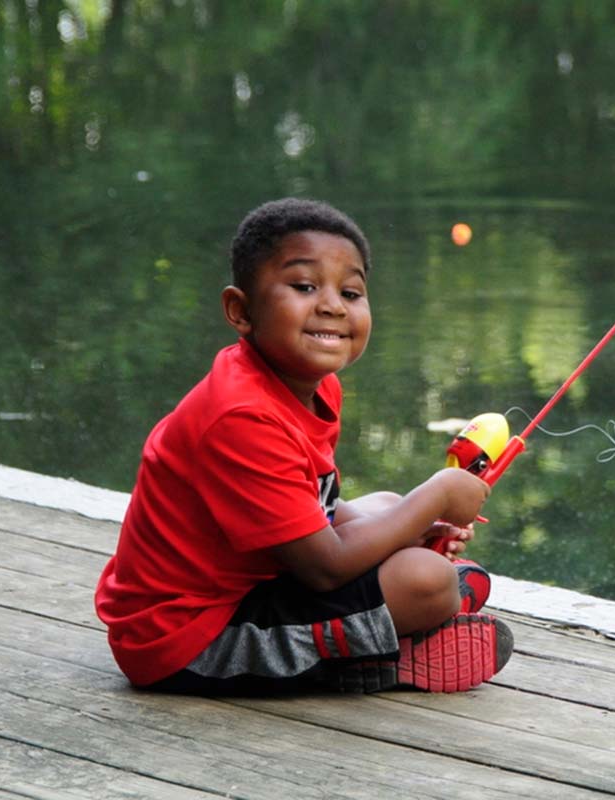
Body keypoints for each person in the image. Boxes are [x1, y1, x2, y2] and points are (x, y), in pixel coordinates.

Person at [95, 198, 511, 695]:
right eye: (304, 286)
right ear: (241, 311)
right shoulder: (241, 415)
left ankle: (404, 616)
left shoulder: (312, 384)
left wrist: (412, 523)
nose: (333, 305)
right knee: (427, 579)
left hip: (252, 582)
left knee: (387, 507)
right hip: (187, 639)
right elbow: (324, 566)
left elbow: (320, 511)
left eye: (351, 291)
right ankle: (375, 658)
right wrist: (437, 497)